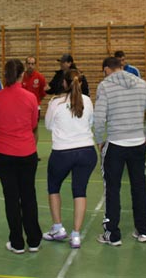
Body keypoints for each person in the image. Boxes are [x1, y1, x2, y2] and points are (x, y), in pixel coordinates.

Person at [93, 57, 146, 245]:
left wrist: (99, 140)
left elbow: (98, 119)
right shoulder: (141, 83)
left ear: (106, 69)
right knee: (139, 187)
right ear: (121, 66)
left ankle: (112, 234)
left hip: (116, 144)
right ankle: (143, 230)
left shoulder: (105, 86)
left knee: (112, 189)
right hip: (137, 143)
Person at [0, 59, 42, 254]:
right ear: (21, 75)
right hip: (26, 153)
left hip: (3, 154)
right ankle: (34, 240)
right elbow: (33, 123)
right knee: (28, 195)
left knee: (11, 197)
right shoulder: (30, 98)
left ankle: (17, 242)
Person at [42, 69, 97, 248]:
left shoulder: (55, 103)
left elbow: (49, 126)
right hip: (87, 151)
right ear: (79, 83)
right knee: (79, 190)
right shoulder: (88, 101)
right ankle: (76, 235)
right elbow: (91, 123)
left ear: (64, 84)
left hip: (62, 152)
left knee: (53, 187)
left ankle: (58, 228)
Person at [21, 56, 47, 146]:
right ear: (25, 64)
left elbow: (43, 93)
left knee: (34, 129)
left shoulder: (40, 77)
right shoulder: (21, 77)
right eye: (29, 64)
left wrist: (36, 102)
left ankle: (33, 150)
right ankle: (23, 149)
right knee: (23, 129)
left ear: (35, 65)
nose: (30, 66)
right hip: (22, 108)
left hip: (35, 108)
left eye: (32, 64)